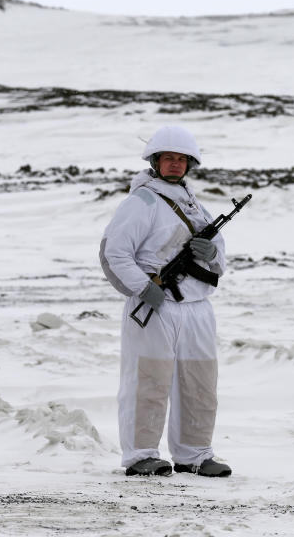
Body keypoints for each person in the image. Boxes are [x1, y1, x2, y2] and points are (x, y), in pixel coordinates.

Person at [99, 125, 231, 477]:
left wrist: (211, 252)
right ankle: (141, 454)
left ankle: (195, 454)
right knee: (148, 382)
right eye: (168, 158)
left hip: (197, 307)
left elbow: (220, 259)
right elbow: (116, 252)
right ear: (156, 161)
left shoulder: (195, 204)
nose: (175, 164)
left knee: (200, 382)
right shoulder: (141, 202)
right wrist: (144, 289)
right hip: (155, 306)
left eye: (181, 159)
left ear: (190, 165)